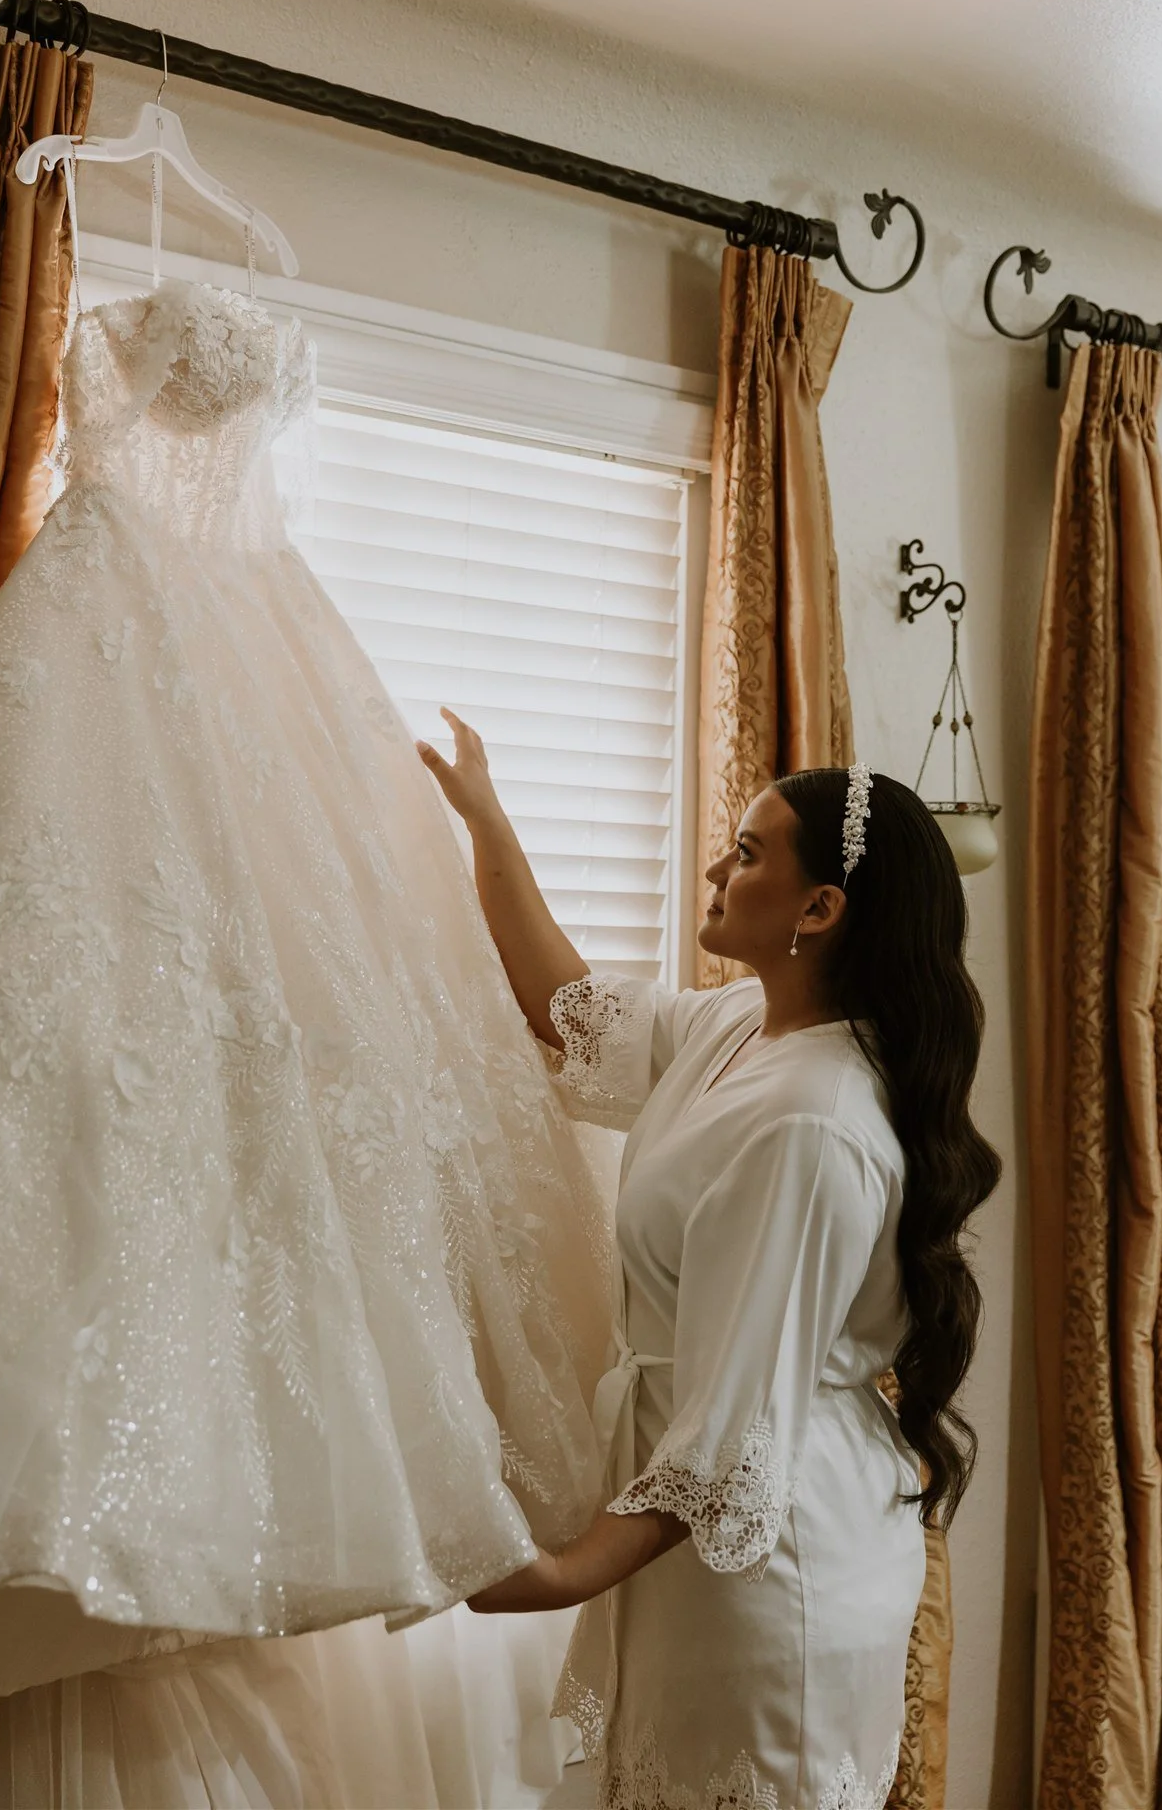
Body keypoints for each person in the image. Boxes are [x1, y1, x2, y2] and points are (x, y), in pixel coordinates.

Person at [417, 711, 1002, 1810]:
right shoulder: (747, 1023)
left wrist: (559, 1574)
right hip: (696, 1525)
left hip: (772, 1564)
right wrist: (487, 824)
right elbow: (569, 1011)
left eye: (747, 851)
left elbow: (738, 1426)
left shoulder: (808, 1121)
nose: (715, 867)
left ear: (821, 908)